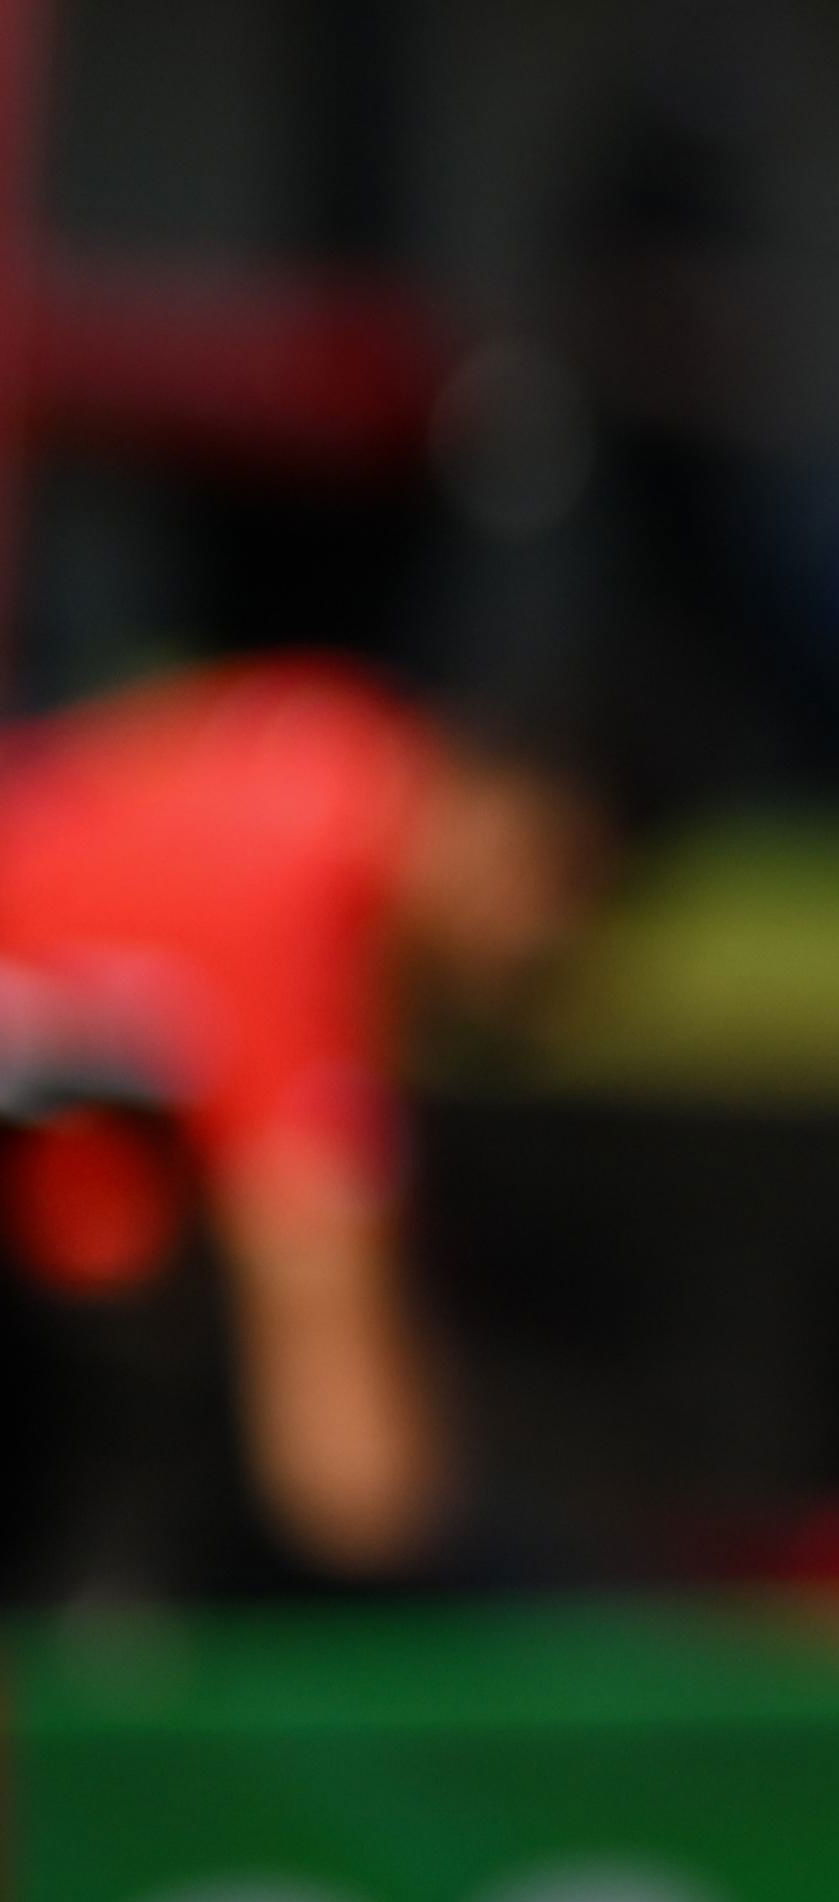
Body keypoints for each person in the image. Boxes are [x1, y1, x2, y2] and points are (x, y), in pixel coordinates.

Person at [0, 660, 618, 1583]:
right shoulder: (300, 881)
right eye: (566, 887)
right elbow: (349, 1483)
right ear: (506, 819)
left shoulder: (317, 736)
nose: (547, 955)